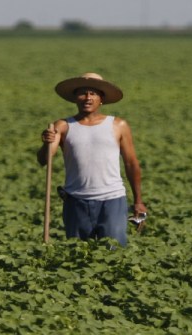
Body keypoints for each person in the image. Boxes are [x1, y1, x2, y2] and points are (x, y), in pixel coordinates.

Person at [37, 72, 147, 246]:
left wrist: (138, 201)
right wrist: (46, 143)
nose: (87, 98)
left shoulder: (118, 125)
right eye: (82, 93)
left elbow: (131, 163)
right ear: (75, 98)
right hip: (76, 201)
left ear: (101, 99)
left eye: (93, 93)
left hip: (112, 200)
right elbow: (44, 160)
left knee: (114, 252)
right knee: (77, 255)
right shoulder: (62, 126)